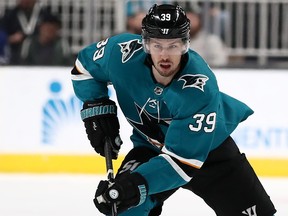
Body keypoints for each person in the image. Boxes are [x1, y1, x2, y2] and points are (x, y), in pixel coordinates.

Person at [71, 4, 276, 216]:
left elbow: (183, 162)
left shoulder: (200, 88)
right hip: (151, 147)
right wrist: (96, 109)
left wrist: (136, 183)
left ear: (186, 44)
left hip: (209, 152)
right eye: (157, 45)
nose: (165, 56)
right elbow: (83, 68)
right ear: (145, 44)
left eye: (173, 46)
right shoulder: (120, 53)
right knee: (125, 206)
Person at [0, 0, 52, 65]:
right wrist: (11, 39)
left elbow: (53, 30)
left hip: (38, 52)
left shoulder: (43, 13)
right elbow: (2, 35)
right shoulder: (11, 14)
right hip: (15, 53)